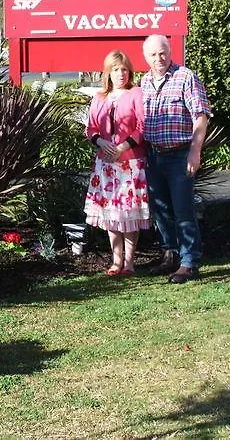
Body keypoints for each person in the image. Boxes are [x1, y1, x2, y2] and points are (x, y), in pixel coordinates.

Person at [140, 34, 211, 284]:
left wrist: (195, 150)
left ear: (170, 52)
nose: (158, 59)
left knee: (183, 210)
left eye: (162, 53)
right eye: (153, 55)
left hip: (180, 154)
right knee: (161, 211)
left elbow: (200, 116)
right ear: (145, 57)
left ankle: (189, 262)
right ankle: (169, 254)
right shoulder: (145, 81)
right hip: (153, 155)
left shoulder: (185, 77)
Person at [84, 50, 151, 275]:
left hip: (130, 164)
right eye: (115, 69)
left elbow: (142, 127)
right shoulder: (99, 97)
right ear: (108, 73)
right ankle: (116, 261)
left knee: (129, 214)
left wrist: (122, 147)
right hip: (106, 165)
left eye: (124, 69)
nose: (121, 74)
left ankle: (130, 263)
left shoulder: (136, 93)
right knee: (111, 214)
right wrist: (102, 142)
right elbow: (90, 128)